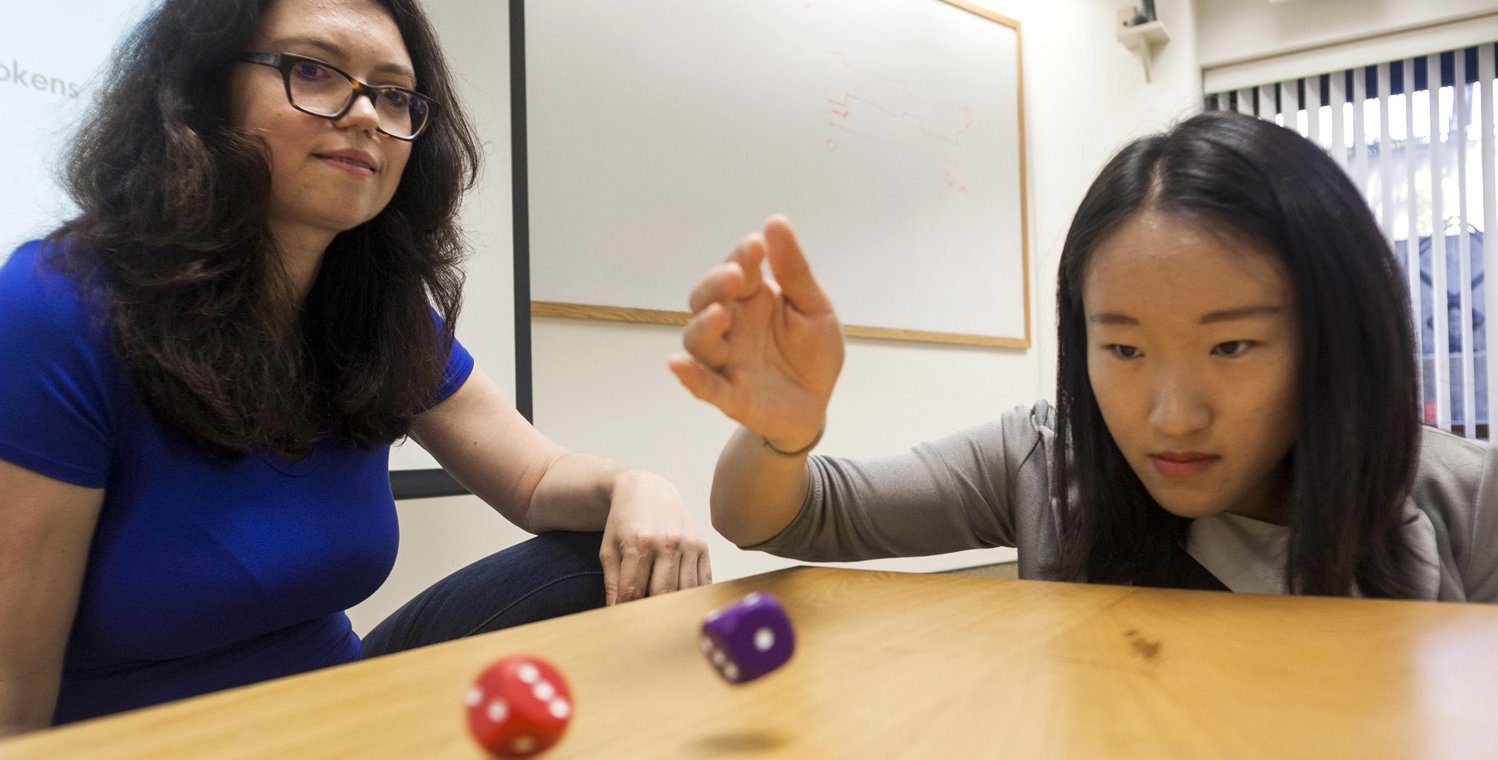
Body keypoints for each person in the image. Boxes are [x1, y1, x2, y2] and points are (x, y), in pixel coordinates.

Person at [0, 0, 710, 735]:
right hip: (152, 741)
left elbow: (535, 480)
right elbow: (10, 698)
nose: (368, 114)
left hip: (344, 719)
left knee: (598, 561)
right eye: (314, 70)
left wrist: (638, 484)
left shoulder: (377, 311)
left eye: (394, 95)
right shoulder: (57, 304)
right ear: (204, 89)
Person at [669, 110, 1498, 604]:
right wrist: (784, 435)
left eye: (1231, 345)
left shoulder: (1470, 501)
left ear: (1333, 337)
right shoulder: (1045, 457)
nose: (1173, 416)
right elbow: (772, 518)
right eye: (1124, 348)